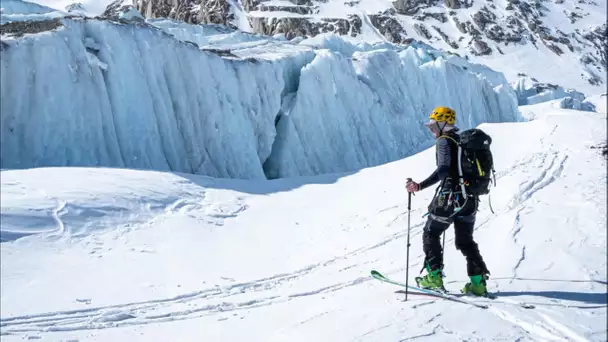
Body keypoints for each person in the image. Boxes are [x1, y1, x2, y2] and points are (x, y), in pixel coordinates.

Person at [405, 106, 490, 296]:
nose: (431, 129)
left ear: (443, 123)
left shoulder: (445, 141)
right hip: (469, 200)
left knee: (431, 233)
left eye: (433, 125)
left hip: (450, 198)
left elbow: (443, 169)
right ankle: (478, 284)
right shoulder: (461, 141)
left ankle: (434, 277)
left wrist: (419, 186)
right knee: (465, 241)